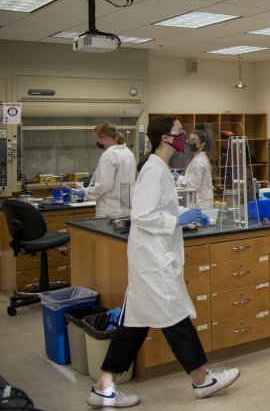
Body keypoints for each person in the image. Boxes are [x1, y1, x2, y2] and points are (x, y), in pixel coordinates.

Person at [86, 116, 239, 408]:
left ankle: (103, 386)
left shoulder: (159, 168)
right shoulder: (154, 170)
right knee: (174, 317)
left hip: (152, 257)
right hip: (152, 261)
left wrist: (180, 219)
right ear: (165, 138)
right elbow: (141, 215)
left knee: (134, 326)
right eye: (180, 133)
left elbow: (156, 209)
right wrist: (176, 219)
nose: (186, 138)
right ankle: (201, 378)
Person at [74, 122, 136, 218]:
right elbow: (125, 184)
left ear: (102, 136)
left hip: (109, 208)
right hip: (125, 206)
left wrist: (86, 192)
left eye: (97, 138)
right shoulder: (128, 153)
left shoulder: (109, 155)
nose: (98, 142)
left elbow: (105, 185)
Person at [176, 129, 214, 208]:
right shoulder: (200, 158)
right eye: (189, 140)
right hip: (201, 200)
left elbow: (193, 185)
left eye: (193, 140)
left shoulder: (199, 161)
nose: (190, 143)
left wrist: (178, 178)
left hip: (200, 203)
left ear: (202, 144)